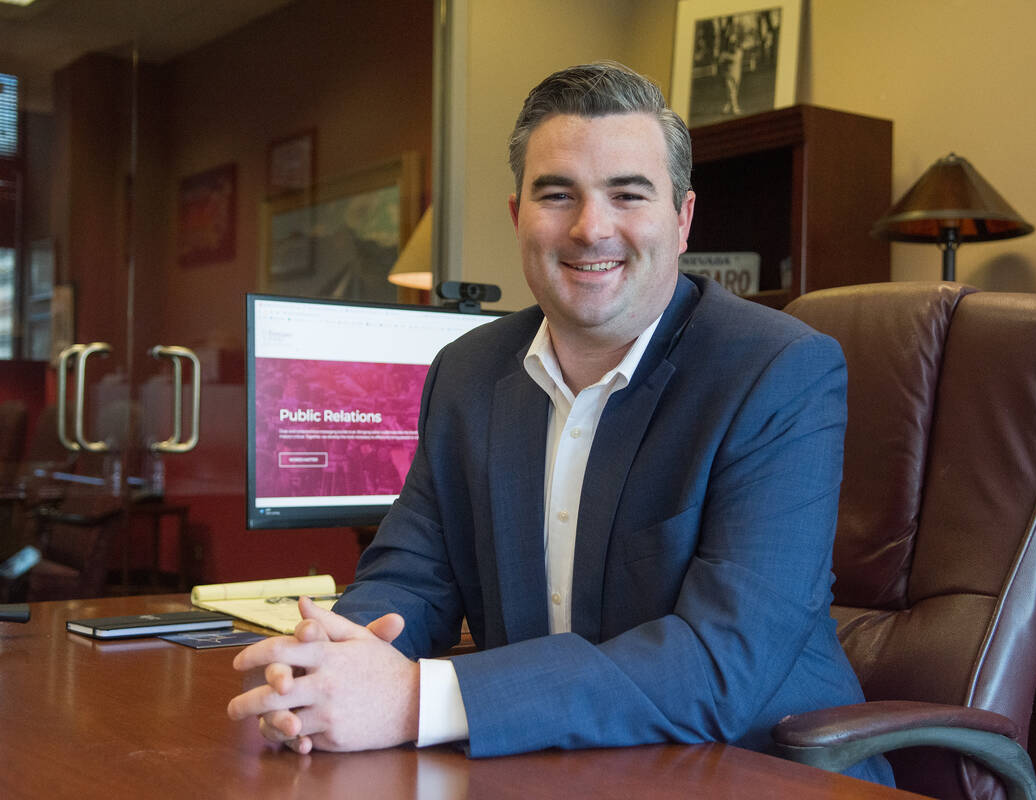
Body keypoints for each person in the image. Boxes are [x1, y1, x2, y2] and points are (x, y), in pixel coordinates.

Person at [227, 61, 893, 787]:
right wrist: (333, 662)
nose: (590, 227)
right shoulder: (468, 372)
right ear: (518, 215)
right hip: (546, 768)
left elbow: (718, 662)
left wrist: (419, 698)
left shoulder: (777, 371)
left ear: (683, 219)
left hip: (751, 769)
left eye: (627, 194)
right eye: (557, 195)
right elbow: (412, 577)